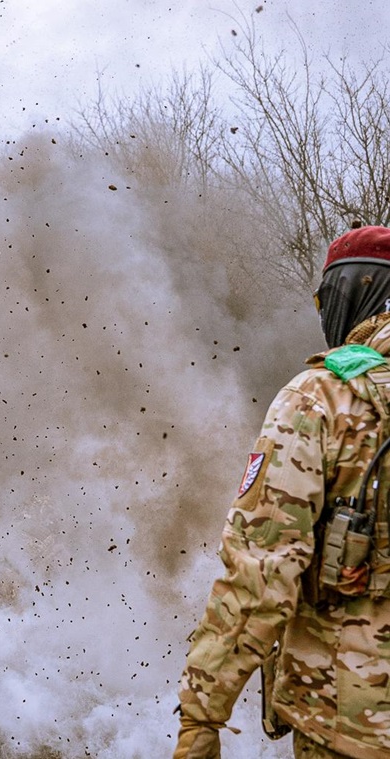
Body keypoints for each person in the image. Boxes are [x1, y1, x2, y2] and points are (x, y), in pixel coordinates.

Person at [174, 224, 390, 759]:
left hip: (352, 723)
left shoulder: (325, 397)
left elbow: (262, 571)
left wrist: (202, 715)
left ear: (349, 294)